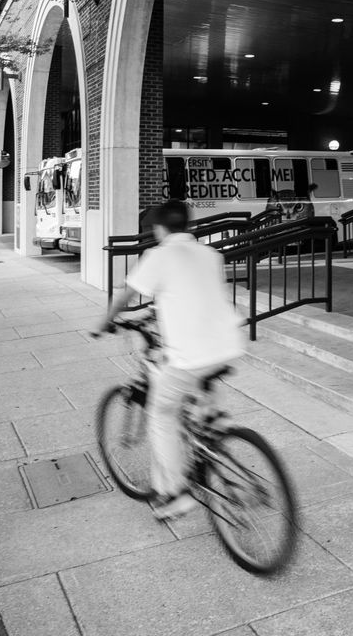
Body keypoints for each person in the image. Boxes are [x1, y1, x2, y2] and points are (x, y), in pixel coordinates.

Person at [96, 199, 244, 520]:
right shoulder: (209, 253)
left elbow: (125, 295)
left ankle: (175, 493)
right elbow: (190, 293)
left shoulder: (159, 255)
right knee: (200, 404)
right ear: (187, 225)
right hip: (228, 345)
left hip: (191, 356)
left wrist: (105, 321)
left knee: (162, 413)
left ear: (159, 228)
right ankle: (214, 427)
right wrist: (155, 310)